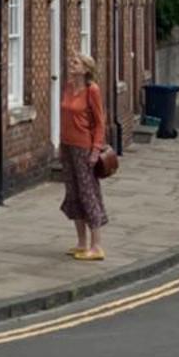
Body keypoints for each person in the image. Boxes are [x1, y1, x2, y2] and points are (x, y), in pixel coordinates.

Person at [59, 55, 109, 260]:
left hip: (84, 148)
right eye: (71, 62)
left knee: (88, 194)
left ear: (86, 69)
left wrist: (96, 149)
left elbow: (100, 122)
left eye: (76, 63)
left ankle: (96, 246)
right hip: (67, 146)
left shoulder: (92, 90)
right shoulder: (69, 87)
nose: (71, 65)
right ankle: (81, 243)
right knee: (73, 194)